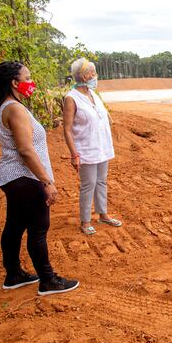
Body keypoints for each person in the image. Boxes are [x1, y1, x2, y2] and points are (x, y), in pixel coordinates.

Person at [0, 61, 79, 296]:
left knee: (15, 226)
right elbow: (26, 150)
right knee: (38, 229)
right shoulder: (15, 109)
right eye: (27, 77)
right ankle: (48, 281)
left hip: (14, 177)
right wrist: (47, 182)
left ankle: (14, 274)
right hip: (24, 177)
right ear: (15, 83)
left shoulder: (6, 105)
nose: (31, 82)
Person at [63, 58, 121, 235]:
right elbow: (67, 129)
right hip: (85, 149)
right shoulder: (71, 99)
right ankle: (85, 221)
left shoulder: (92, 94)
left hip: (101, 147)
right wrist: (74, 154)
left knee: (101, 182)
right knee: (89, 184)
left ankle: (103, 214)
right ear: (82, 75)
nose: (95, 75)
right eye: (92, 72)